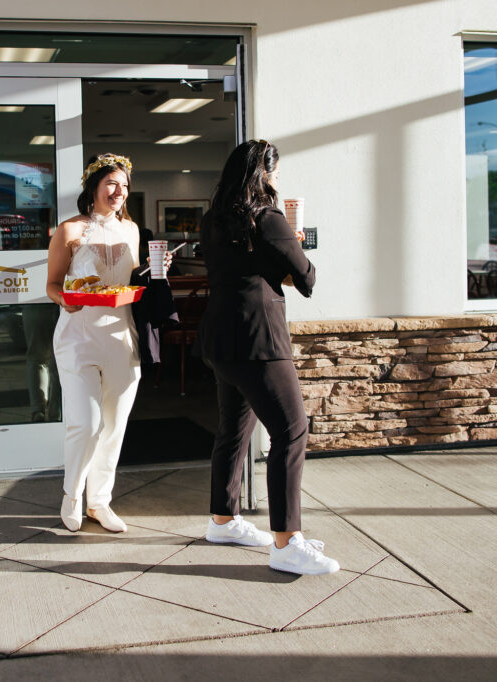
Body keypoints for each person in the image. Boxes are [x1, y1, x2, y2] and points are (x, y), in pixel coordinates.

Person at [197, 139, 340, 575]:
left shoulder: (214, 222)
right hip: (259, 340)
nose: (277, 181)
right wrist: (295, 243)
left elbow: (245, 268)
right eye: (275, 173)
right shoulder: (269, 218)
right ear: (263, 175)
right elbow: (307, 278)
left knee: (233, 432)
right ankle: (286, 542)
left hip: (220, 338)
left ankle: (223, 520)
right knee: (292, 432)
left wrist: (278, 253)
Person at [46, 153, 171, 533]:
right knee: (85, 424)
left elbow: (133, 282)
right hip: (77, 336)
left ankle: (100, 502)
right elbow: (51, 285)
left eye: (124, 186)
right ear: (94, 187)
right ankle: (71, 495)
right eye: (111, 183)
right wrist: (65, 297)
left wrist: (158, 276)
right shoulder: (67, 230)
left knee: (114, 425)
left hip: (122, 335)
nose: (119, 191)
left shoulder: (132, 231)